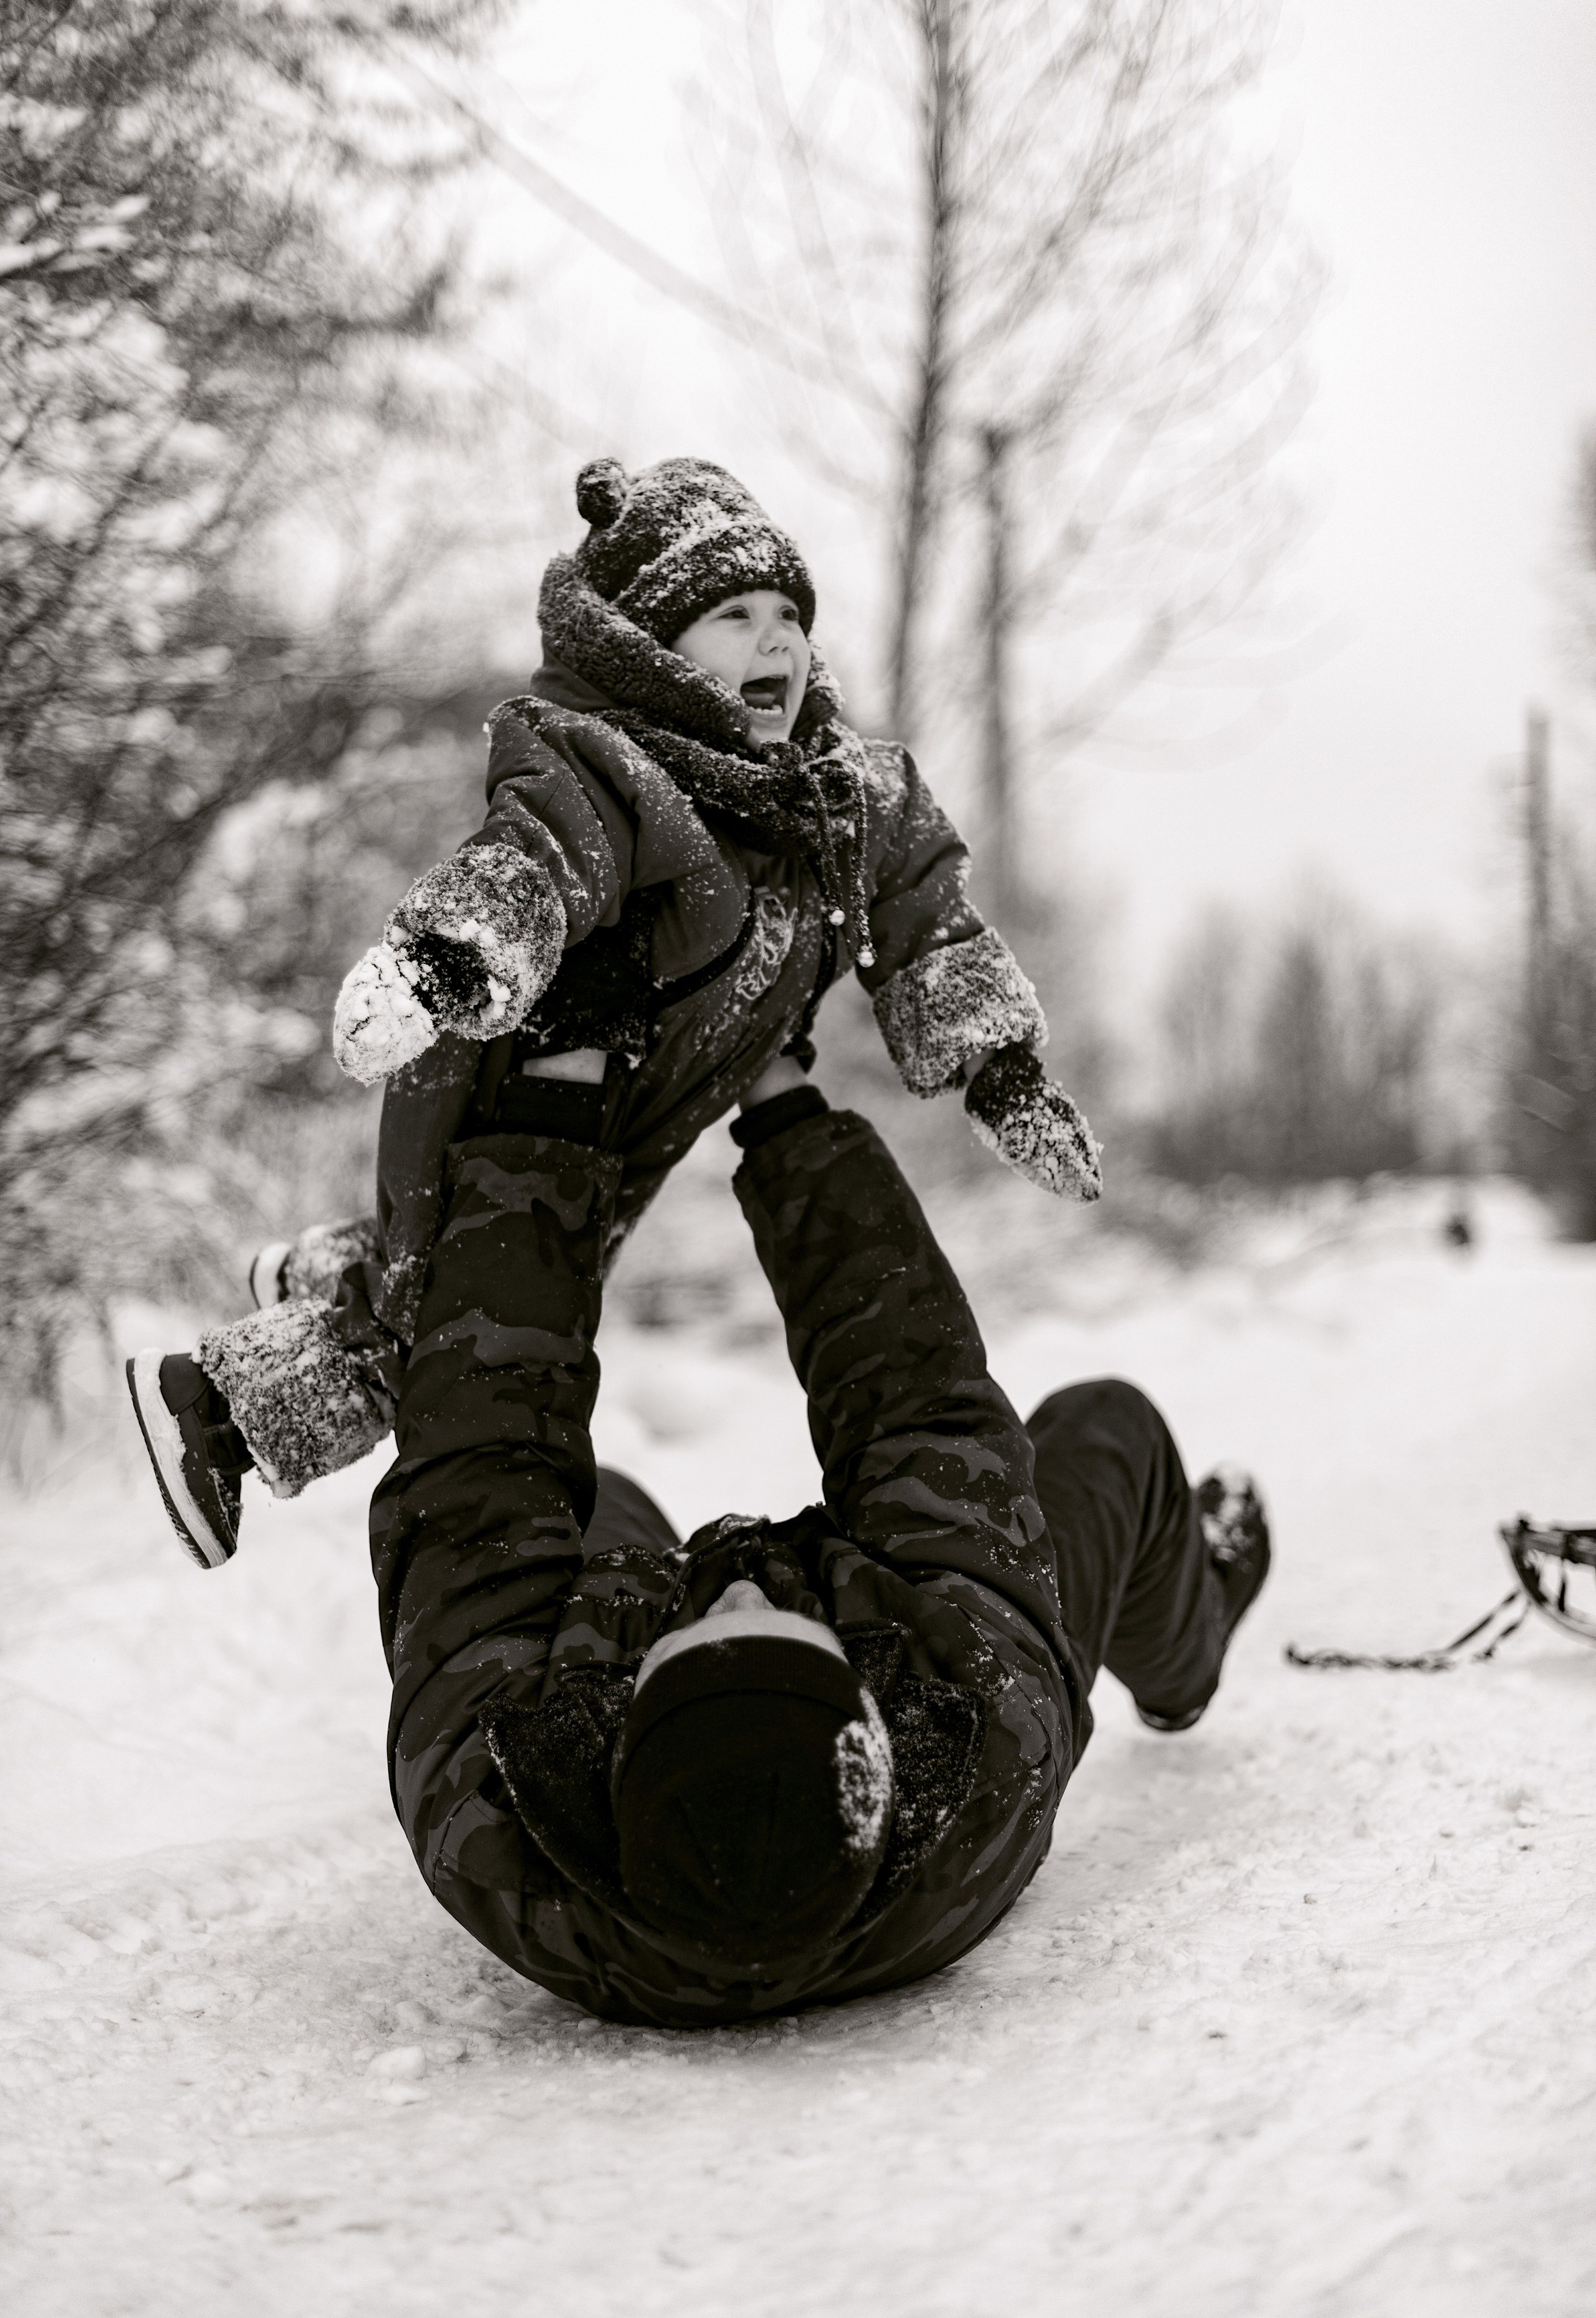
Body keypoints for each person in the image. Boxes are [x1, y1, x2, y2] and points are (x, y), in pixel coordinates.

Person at [127, 456, 1100, 1569]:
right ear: (652, 647)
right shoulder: (615, 767)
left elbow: (927, 909)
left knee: (464, 1306)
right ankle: (211, 1407)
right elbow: (538, 853)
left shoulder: (841, 801)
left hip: (623, 1134)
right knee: (455, 1337)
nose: (775, 640)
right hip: (509, 1108)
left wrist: (1000, 1063)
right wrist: (449, 953)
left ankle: (326, 1274)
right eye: (733, 615)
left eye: (790, 614)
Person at [349, 1059, 1269, 2026]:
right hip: (934, 1652)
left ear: (609, 1734)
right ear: (884, 1713)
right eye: (796, 1630)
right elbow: (920, 1409)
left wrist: (544, 1125)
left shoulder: (490, 1798)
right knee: (1107, 1421)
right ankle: (1188, 1649)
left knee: (591, 1506)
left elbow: (479, 1466)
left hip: (700, 1694)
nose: (736, 1588)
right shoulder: (989, 1729)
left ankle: (718, 1647)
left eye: (688, 1635)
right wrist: (787, 1112)